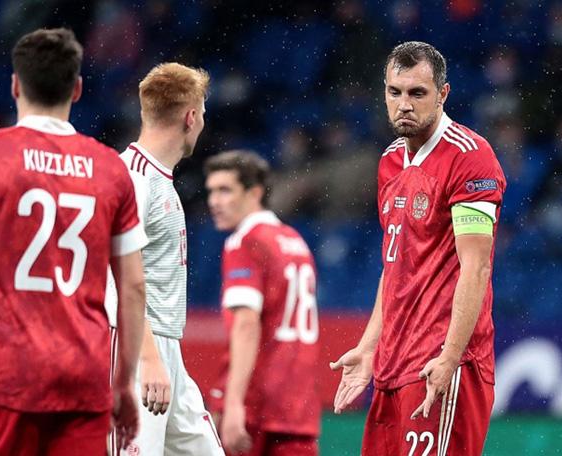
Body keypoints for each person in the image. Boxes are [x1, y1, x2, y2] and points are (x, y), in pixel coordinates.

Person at [0, 28, 147, 455]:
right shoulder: (110, 168)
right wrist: (124, 381)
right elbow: (134, 286)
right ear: (77, 88)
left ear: (15, 85)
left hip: (6, 373)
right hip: (85, 376)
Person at [330, 41, 506, 456]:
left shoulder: (470, 158)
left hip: (439, 364)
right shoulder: (390, 160)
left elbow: (476, 268)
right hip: (392, 365)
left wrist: (449, 358)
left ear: (443, 94)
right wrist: (369, 347)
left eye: (417, 93)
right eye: (394, 92)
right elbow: (395, 267)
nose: (404, 104)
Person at [105, 62, 223, 456]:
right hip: (136, 349)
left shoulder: (156, 177)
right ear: (191, 117)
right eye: (202, 113)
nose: (202, 122)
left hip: (164, 349)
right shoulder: (134, 179)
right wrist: (150, 359)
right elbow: (114, 278)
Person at [204, 150, 321, 456]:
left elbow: (246, 324)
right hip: (298, 403)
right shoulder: (294, 240)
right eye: (211, 191)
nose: (214, 201)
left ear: (254, 193)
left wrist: (232, 402)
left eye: (225, 190)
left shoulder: (246, 241)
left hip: (256, 402)